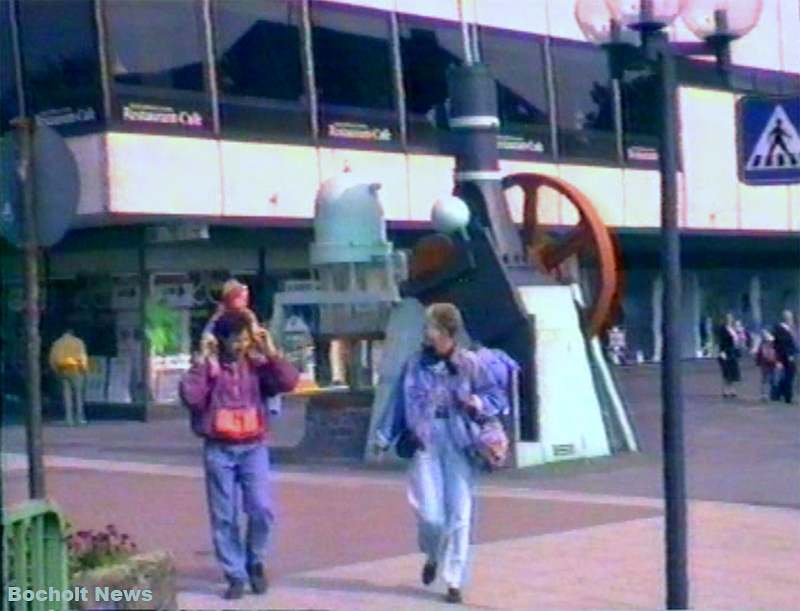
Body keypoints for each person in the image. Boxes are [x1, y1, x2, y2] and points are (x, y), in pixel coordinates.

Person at [375, 303, 504, 604]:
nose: (426, 333)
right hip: (426, 440)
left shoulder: (471, 363)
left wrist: (477, 402)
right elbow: (398, 403)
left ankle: (454, 580)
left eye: (431, 327)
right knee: (430, 515)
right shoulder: (414, 364)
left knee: (460, 512)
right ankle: (433, 554)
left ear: (446, 332)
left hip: (460, 440)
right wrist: (384, 436)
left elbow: (496, 397)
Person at [180, 310, 299, 600]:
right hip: (219, 448)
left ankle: (255, 561)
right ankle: (234, 574)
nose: (241, 345)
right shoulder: (210, 367)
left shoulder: (258, 366)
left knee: (261, 509)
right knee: (224, 516)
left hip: (253, 447)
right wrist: (202, 362)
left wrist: (271, 352)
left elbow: (289, 382)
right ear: (221, 341)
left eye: (245, 339)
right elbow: (191, 397)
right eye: (235, 340)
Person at [48, 329, 89, 426]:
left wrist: (55, 369)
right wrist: (84, 369)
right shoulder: (78, 342)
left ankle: (68, 419)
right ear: (72, 333)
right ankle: (79, 418)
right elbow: (82, 356)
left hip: (63, 369)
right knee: (78, 395)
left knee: (67, 395)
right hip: (76, 369)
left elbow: (52, 357)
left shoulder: (57, 343)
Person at [772, 310, 798, 404]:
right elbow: (777, 344)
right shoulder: (779, 328)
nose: (790, 319)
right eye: (788, 317)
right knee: (784, 376)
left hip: (792, 355)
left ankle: (786, 394)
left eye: (790, 317)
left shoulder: (793, 328)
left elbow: (794, 342)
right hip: (783, 356)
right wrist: (778, 359)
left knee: (790, 375)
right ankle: (785, 395)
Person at [716, 313, 741, 399]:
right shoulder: (723, 329)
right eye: (727, 318)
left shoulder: (733, 329)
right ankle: (725, 390)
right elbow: (721, 341)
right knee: (726, 372)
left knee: (733, 372)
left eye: (730, 318)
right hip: (726, 351)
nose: (729, 320)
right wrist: (722, 352)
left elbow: (737, 340)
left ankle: (732, 389)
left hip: (733, 352)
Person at [754, 331, 779, 402]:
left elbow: (759, 356)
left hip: (769, 364)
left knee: (769, 379)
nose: (770, 342)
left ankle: (767, 394)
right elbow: (759, 356)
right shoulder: (764, 347)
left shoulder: (766, 346)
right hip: (766, 364)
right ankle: (765, 394)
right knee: (767, 379)